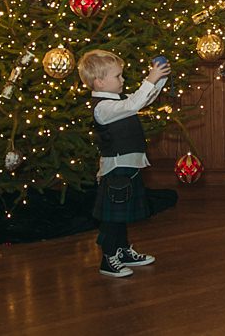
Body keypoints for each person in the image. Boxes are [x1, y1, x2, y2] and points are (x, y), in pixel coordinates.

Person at [78, 49, 172, 278]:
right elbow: (133, 105)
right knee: (112, 217)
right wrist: (149, 80)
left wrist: (159, 79)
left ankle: (122, 250)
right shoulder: (102, 108)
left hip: (128, 166)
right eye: (118, 76)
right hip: (116, 168)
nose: (122, 80)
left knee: (121, 215)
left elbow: (140, 100)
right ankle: (108, 258)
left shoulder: (117, 100)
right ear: (99, 82)